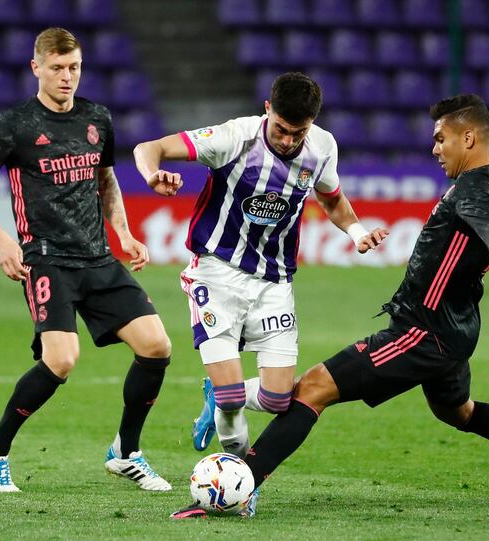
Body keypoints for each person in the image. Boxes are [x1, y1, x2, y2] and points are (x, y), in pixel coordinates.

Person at [171, 82, 489, 518]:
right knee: (460, 413)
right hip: (457, 327)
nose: (435, 149)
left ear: (468, 138)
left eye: (441, 139)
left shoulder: (474, 189)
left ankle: (237, 486)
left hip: (421, 331)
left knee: (312, 390)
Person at [0, 27, 172, 493]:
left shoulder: (97, 117)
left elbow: (107, 181)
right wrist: (2, 241)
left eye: (73, 67)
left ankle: (126, 452)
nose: (66, 77)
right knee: (62, 360)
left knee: (156, 346)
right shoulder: (13, 123)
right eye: (56, 68)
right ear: (36, 68)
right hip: (47, 259)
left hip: (98, 256)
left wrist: (124, 233)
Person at [133, 73, 388, 460]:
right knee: (234, 397)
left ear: (312, 124)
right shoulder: (235, 137)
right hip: (217, 272)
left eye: (298, 133)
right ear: (267, 110)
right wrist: (152, 173)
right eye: (282, 130)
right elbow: (149, 146)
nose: (288, 141)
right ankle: (242, 484)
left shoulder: (322, 148)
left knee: (276, 397)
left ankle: (214, 398)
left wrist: (356, 232)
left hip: (275, 282)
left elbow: (332, 199)